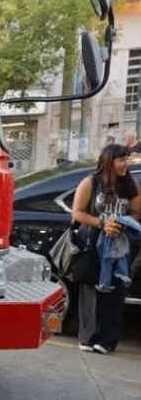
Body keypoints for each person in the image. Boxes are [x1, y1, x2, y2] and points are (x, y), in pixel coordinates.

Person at [71, 143, 141, 354]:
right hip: (93, 243)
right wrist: (102, 223)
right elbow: (77, 212)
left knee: (116, 290)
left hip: (120, 245)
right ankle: (88, 337)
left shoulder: (131, 184)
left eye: (127, 159)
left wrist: (122, 223)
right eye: (122, 160)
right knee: (91, 289)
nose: (126, 164)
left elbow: (136, 213)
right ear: (109, 162)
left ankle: (107, 340)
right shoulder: (91, 182)